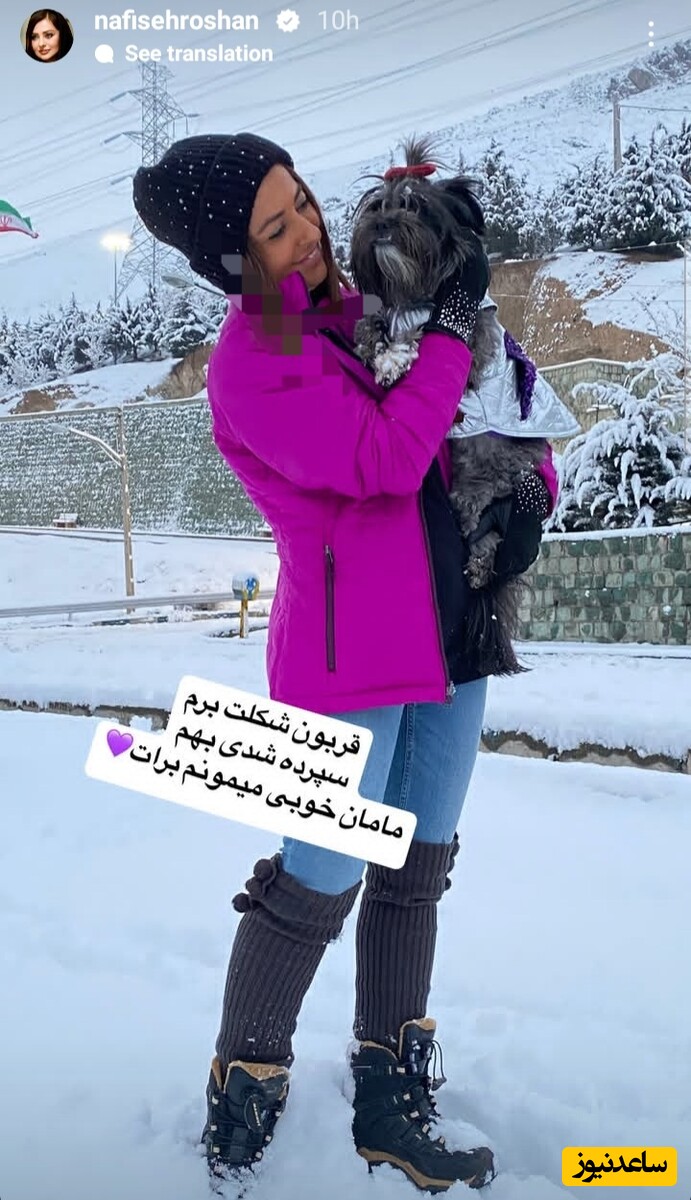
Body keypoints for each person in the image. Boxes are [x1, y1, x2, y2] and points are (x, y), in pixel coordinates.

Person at [133, 133, 558, 1194]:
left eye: (305, 202)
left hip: (450, 631)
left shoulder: (361, 309)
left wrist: (527, 486)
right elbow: (385, 457)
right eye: (274, 228)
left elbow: (486, 406)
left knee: (418, 867)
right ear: (231, 261)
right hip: (345, 656)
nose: (309, 233)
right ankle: (246, 1083)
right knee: (317, 876)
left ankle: (389, 1089)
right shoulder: (253, 360)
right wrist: (451, 331)